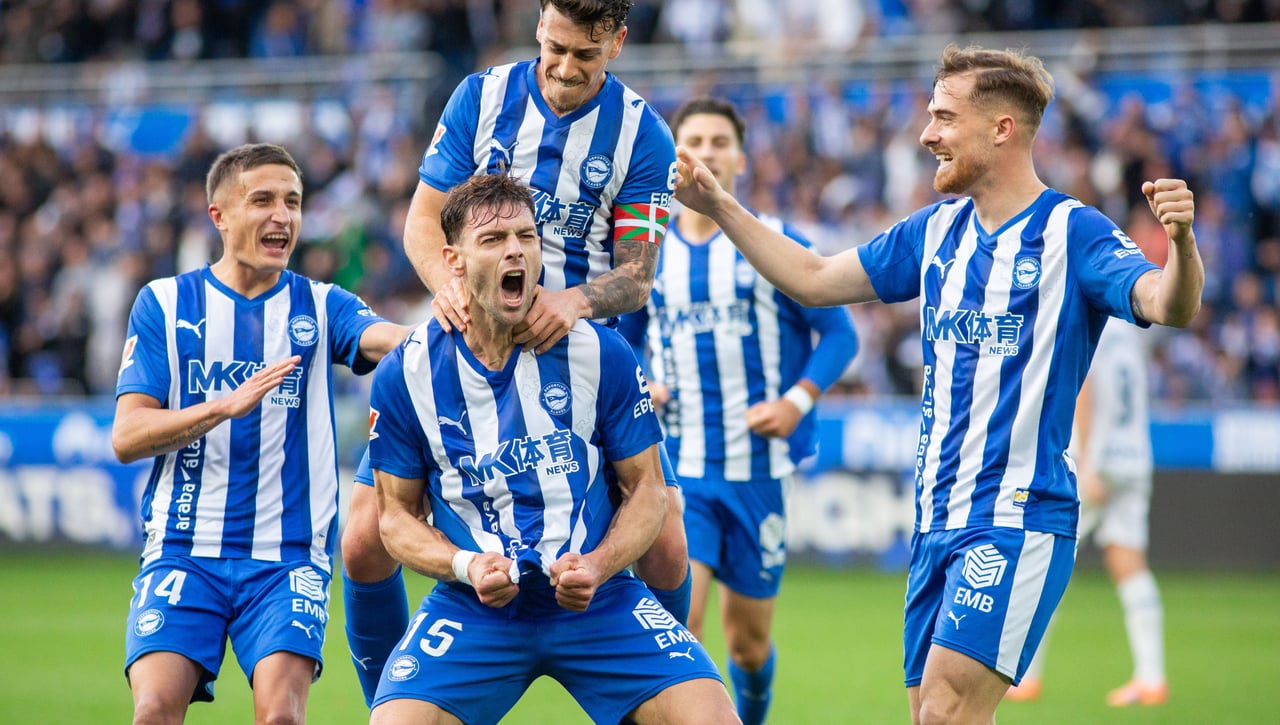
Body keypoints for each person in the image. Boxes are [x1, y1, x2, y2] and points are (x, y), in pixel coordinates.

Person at [672, 44, 1204, 725]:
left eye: (943, 117)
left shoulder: (1072, 231)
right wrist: (719, 207)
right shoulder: (935, 232)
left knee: (944, 711)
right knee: (932, 713)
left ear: (1001, 129)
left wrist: (1182, 244)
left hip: (1015, 514)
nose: (927, 134)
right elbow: (812, 278)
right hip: (934, 522)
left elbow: (1169, 304)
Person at [341, 0, 691, 705]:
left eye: (585, 56)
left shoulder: (643, 135)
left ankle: (651, 689)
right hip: (469, 352)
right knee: (360, 538)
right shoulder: (482, 97)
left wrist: (575, 302)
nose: (564, 67)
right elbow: (420, 220)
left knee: (667, 545)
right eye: (555, 46)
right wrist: (449, 290)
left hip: (584, 363)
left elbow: (637, 274)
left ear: (617, 43)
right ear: (539, 23)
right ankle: (394, 695)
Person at [366, 172, 739, 724]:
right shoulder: (409, 370)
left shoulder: (600, 352)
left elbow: (647, 491)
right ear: (454, 260)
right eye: (493, 240)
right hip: (474, 608)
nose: (515, 250)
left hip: (599, 602)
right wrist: (465, 565)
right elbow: (394, 517)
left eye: (527, 236)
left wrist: (598, 564)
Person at [111, 143, 408, 724]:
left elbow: (390, 339)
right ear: (218, 215)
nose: (283, 216)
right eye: (264, 200)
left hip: (286, 559)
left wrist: (460, 328)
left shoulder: (320, 306)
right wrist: (222, 407)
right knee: (152, 712)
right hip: (181, 551)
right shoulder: (165, 304)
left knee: (281, 718)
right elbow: (127, 436)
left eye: (293, 202)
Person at [620, 97, 859, 725]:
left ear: (742, 158)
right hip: (679, 468)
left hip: (757, 469)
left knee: (749, 647)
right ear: (674, 158)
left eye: (720, 140)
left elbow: (840, 335)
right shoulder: (650, 253)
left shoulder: (776, 245)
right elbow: (621, 341)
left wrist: (795, 400)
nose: (706, 151)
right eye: (692, 139)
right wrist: (644, 381)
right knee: (682, 626)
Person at [1005, 321, 1167, 706]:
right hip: (1135, 458)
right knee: (1129, 564)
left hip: (1096, 460)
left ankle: (1025, 677)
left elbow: (1084, 391)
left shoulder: (1087, 321)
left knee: (1044, 561)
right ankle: (1151, 679)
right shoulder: (1130, 333)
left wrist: (1089, 460)